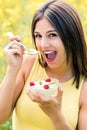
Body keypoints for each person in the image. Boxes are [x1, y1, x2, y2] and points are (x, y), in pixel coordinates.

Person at [0, 0, 87, 130]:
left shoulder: (84, 87)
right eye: (38, 36)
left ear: (71, 36)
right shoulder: (28, 64)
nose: (43, 45)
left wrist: (55, 115)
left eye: (52, 35)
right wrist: (12, 69)